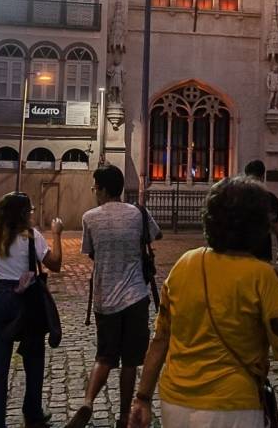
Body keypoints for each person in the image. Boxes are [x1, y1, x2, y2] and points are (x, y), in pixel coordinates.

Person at [128, 177, 278, 428]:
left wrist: (142, 398)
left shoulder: (184, 264)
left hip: (175, 404)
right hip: (234, 406)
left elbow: (161, 338)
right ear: (257, 225)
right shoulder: (261, 275)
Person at [67, 166, 160, 428]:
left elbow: (90, 251)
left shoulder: (90, 217)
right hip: (135, 296)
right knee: (130, 361)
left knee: (104, 356)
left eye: (95, 187)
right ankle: (123, 416)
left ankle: (87, 402)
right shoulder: (138, 213)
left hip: (105, 298)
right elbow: (156, 234)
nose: (94, 191)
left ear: (104, 189)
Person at [0, 192, 64, 428]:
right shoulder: (31, 237)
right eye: (30, 211)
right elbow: (55, 264)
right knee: (34, 357)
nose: (32, 214)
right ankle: (32, 410)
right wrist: (56, 234)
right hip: (27, 299)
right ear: (23, 214)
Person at [243, 160, 278, 263]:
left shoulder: (237, 196)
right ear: (263, 177)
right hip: (262, 252)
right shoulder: (269, 198)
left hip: (240, 252)